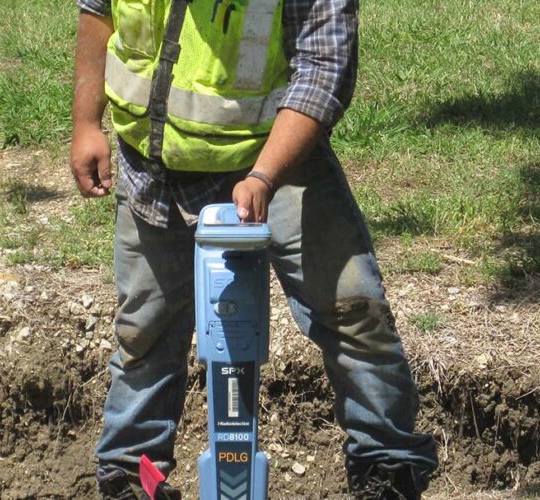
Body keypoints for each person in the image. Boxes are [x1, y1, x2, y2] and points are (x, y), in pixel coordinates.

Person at [69, 0, 439, 498]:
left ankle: (387, 467)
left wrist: (264, 176)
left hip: (279, 157)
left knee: (353, 311)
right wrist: (86, 122)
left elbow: (324, 68)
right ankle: (129, 476)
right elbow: (98, 9)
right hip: (152, 168)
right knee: (144, 332)